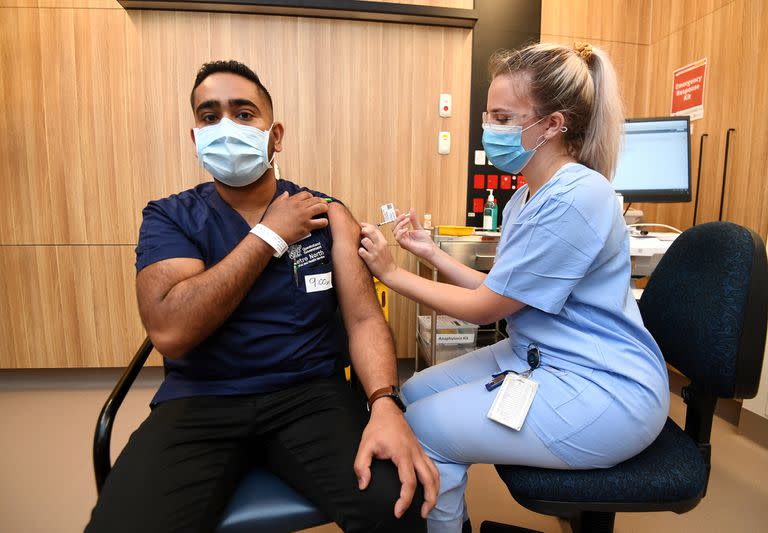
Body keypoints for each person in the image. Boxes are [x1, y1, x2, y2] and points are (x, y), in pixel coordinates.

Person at [86, 60, 438, 533]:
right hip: (201, 400)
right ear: (195, 139)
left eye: (244, 113)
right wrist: (269, 235)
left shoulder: (327, 214)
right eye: (209, 117)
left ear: (275, 135)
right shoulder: (171, 217)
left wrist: (384, 403)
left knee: (396, 505)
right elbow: (170, 330)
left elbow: (363, 320)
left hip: (310, 397)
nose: (226, 127)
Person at [358, 42, 670, 533]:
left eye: (503, 118)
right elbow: (505, 290)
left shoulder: (579, 195)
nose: (490, 130)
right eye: (489, 116)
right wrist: (429, 253)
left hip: (603, 387)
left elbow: (484, 310)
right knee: (412, 393)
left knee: (425, 428)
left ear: (552, 124)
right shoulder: (526, 196)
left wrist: (393, 275)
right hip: (536, 355)